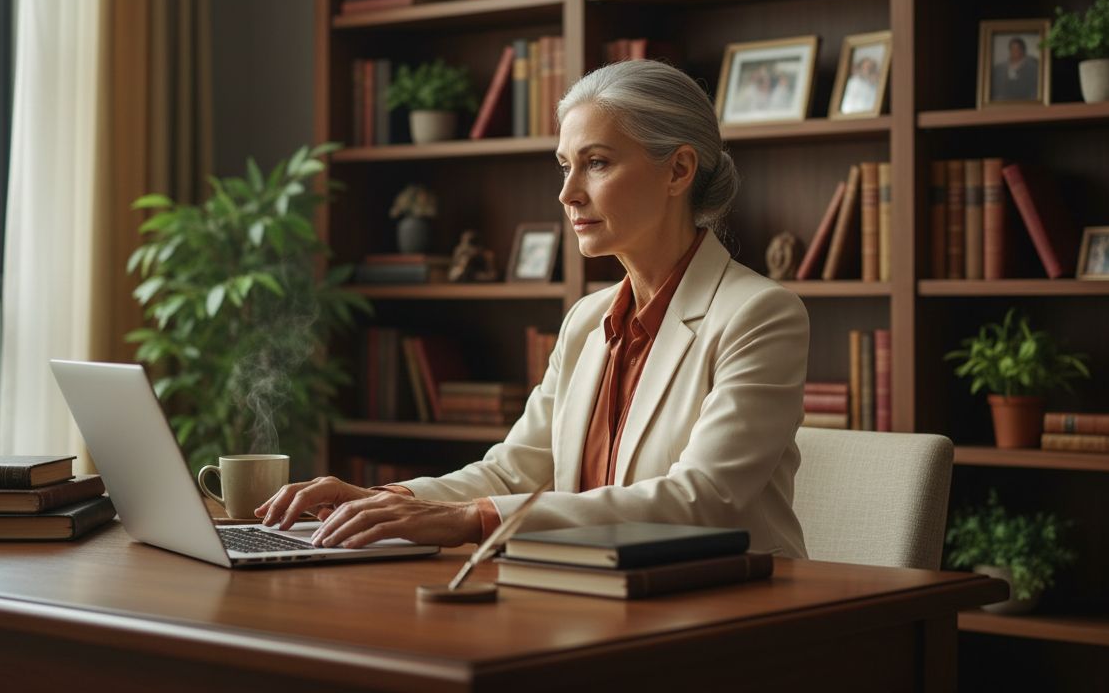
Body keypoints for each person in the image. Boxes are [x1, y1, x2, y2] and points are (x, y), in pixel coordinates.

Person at [258, 59, 811, 557]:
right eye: (564, 166)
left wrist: (463, 521)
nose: (568, 193)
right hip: (591, 594)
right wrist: (387, 501)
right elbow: (513, 470)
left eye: (595, 163)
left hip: (733, 613)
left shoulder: (759, 315)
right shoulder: (587, 321)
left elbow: (703, 500)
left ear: (679, 170)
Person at [990, 36, 1039, 102]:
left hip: (1025, 102)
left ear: (1023, 50)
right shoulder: (999, 68)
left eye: (1017, 49)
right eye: (1012, 49)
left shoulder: (1033, 68)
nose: (1015, 51)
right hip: (1003, 103)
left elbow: (1034, 90)